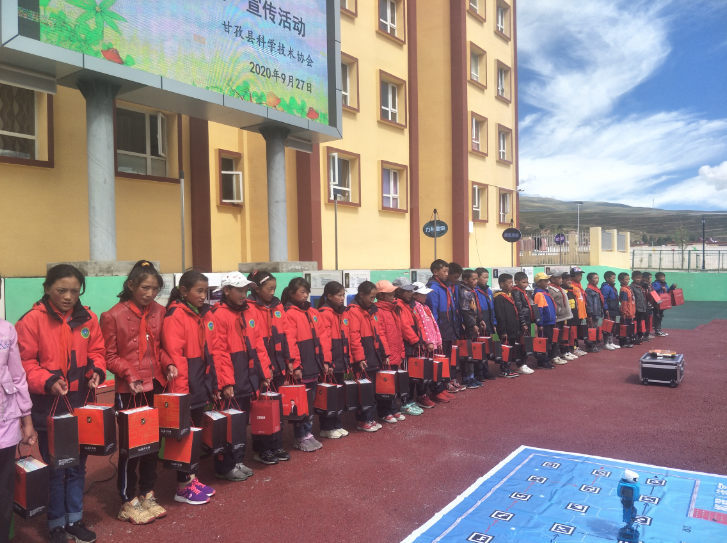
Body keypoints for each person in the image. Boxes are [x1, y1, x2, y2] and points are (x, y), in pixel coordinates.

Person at [16, 264, 106, 543]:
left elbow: (97, 352)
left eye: (74, 291)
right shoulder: (31, 321)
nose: (68, 297)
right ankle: (55, 523)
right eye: (61, 290)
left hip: (81, 406)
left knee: (78, 467)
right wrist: (47, 380)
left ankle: (75, 519)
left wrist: (97, 371)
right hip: (49, 407)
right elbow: (24, 364)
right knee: (55, 469)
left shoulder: (88, 318)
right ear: (47, 288)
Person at [100, 261, 168, 525]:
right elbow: (109, 356)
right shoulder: (113, 315)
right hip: (129, 389)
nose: (150, 294)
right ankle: (128, 500)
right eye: (145, 287)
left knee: (153, 443)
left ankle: (148, 492)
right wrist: (130, 374)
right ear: (131, 285)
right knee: (132, 446)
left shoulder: (159, 312)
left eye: (155, 289)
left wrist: (169, 364)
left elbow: (159, 348)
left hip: (156, 385)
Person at [161, 270, 222, 505]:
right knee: (184, 438)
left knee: (194, 434)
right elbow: (176, 356)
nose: (203, 295)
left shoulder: (200, 314)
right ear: (184, 291)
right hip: (185, 388)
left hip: (198, 385)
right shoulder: (175, 315)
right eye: (199, 291)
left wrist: (211, 384)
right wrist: (181, 394)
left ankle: (192, 479)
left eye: (205, 291)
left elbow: (210, 352)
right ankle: (183, 486)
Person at [209, 272, 272, 470]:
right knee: (229, 424)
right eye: (239, 290)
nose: (244, 294)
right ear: (226, 290)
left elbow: (259, 345)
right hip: (232, 381)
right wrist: (226, 383)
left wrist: (264, 374)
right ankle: (226, 466)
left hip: (249, 378)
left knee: (242, 422)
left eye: (245, 290)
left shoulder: (249, 312)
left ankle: (237, 461)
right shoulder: (218, 314)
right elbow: (219, 352)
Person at [246, 271, 292, 463]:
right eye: (269, 288)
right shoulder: (249, 308)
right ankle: (262, 449)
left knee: (277, 409)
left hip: (278, 365)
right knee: (262, 410)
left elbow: (287, 334)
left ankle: (276, 444)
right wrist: (264, 369)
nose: (273, 292)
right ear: (256, 289)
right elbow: (255, 344)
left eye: (274, 288)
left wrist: (289, 360)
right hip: (261, 368)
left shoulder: (277, 306)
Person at [0, 296, 36, 543]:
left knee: (4, 489)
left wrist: (27, 419)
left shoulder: (6, 330)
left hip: (5, 423)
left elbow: (17, 375)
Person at [281, 277, 330, 451]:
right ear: (291, 293)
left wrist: (326, 360)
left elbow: (323, 338)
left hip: (314, 365)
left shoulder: (313, 312)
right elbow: (290, 341)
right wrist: (296, 365)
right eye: (302, 292)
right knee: (300, 403)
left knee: (310, 402)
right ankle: (300, 436)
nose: (305, 295)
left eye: (307, 292)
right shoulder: (288, 314)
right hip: (302, 367)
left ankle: (307, 433)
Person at [348, 281, 389, 431]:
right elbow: (354, 336)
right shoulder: (353, 311)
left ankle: (370, 418)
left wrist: (385, 354)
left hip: (374, 355)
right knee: (363, 390)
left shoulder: (372, 311)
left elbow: (380, 334)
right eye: (371, 297)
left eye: (374, 297)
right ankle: (362, 420)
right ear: (361, 295)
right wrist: (359, 358)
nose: (373, 300)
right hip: (363, 358)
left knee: (372, 390)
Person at [317, 281, 352, 437]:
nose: (342, 298)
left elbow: (347, 338)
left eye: (343, 295)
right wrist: (327, 361)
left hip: (341, 361)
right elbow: (324, 340)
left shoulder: (343, 313)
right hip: (331, 362)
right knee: (328, 395)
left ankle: (337, 424)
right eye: (339, 295)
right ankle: (326, 427)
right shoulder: (324, 314)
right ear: (329, 296)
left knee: (337, 395)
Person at [374, 280, 407, 423]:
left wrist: (401, 352)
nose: (393, 295)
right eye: (390, 293)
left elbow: (399, 334)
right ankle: (384, 411)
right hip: (387, 355)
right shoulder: (378, 311)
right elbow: (380, 334)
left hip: (395, 353)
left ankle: (392, 409)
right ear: (381, 295)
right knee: (384, 384)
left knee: (392, 384)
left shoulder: (393, 309)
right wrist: (385, 354)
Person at [425, 260, 459, 402]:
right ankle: (436, 390)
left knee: (446, 360)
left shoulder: (446, 287)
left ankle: (443, 386)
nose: (446, 274)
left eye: (447, 271)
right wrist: (436, 333)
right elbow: (433, 313)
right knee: (438, 360)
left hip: (449, 328)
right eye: (444, 271)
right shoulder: (433, 288)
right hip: (440, 330)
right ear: (435, 272)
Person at [391, 277, 425, 416]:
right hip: (407, 345)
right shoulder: (397, 305)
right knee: (406, 375)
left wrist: (421, 339)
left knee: (413, 374)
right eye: (407, 291)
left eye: (411, 291)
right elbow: (404, 326)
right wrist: (415, 340)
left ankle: (410, 400)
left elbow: (418, 323)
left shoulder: (410, 305)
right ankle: (405, 403)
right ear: (398, 291)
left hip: (414, 343)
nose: (411, 293)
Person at [411, 282, 440, 409]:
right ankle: (420, 396)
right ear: (414, 295)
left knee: (427, 371)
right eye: (422, 294)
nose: (425, 296)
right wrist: (428, 342)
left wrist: (438, 341)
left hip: (431, 344)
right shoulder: (415, 307)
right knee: (421, 372)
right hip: (424, 345)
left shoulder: (425, 307)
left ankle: (423, 394)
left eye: (426, 294)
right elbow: (421, 326)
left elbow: (433, 325)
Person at [492, 274, 520, 378]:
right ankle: (504, 369)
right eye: (509, 283)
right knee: (504, 349)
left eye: (512, 282)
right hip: (505, 330)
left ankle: (508, 367)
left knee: (510, 349)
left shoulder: (510, 296)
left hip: (512, 328)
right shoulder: (499, 298)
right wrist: (503, 331)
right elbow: (500, 315)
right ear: (502, 284)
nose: (511, 285)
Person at [458, 270, 483, 387]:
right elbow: (465, 312)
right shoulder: (464, 293)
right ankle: (466, 378)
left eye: (477, 279)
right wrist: (472, 325)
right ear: (466, 280)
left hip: (473, 323)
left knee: (472, 352)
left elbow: (474, 310)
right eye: (474, 279)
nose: (476, 281)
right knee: (467, 353)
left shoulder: (472, 292)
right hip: (467, 326)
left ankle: (472, 376)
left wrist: (480, 320)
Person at [511, 272, 536, 374]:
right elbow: (519, 308)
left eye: (527, 282)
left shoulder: (523, 292)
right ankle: (520, 364)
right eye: (523, 282)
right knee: (522, 343)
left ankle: (524, 363)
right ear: (516, 282)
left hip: (527, 320)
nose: (526, 284)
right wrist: (523, 323)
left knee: (526, 342)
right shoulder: (516, 292)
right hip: (522, 321)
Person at [532, 272, 556, 369]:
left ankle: (547, 360)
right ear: (538, 282)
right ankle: (542, 361)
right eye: (545, 281)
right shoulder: (539, 294)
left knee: (549, 342)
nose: (547, 282)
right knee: (544, 342)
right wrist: (540, 323)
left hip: (550, 322)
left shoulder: (545, 293)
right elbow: (539, 310)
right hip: (545, 323)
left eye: (547, 280)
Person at [548, 272, 574, 362]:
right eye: (559, 278)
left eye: (561, 278)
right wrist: (557, 311)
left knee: (561, 336)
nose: (561, 280)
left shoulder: (560, 288)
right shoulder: (551, 290)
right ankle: (554, 356)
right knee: (555, 337)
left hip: (563, 316)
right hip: (557, 317)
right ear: (552, 279)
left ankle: (561, 353)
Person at [562, 273, 585, 358]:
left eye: (570, 280)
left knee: (574, 333)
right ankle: (567, 350)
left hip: (574, 315)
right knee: (567, 334)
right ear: (562, 280)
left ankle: (575, 348)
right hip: (567, 316)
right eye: (567, 280)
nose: (569, 281)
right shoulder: (563, 291)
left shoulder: (571, 290)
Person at [584, 272, 608, 352]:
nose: (597, 280)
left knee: (594, 329)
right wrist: (589, 314)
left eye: (598, 278)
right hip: (592, 313)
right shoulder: (589, 290)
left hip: (597, 313)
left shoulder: (596, 289)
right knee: (591, 329)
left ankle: (593, 345)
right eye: (595, 278)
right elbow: (589, 303)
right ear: (589, 280)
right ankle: (590, 346)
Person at [568, 267, 588, 356]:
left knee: (577, 331)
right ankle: (573, 348)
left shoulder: (579, 286)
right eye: (577, 275)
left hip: (580, 313)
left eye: (580, 275)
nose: (580, 277)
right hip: (574, 313)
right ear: (572, 276)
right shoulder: (571, 286)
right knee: (573, 332)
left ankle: (576, 347)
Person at [600, 271, 621, 349]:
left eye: (614, 278)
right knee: (607, 326)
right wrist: (606, 309)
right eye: (613, 278)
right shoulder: (605, 287)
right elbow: (604, 299)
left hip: (614, 309)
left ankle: (611, 342)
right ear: (607, 278)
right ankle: (605, 343)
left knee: (612, 326)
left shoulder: (612, 287)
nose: (614, 279)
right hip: (608, 309)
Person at [651, 272, 676, 336]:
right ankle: (657, 330)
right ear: (657, 278)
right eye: (661, 277)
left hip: (663, 302)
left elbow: (667, 291)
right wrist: (660, 288)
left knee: (660, 315)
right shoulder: (655, 284)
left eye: (664, 277)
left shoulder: (664, 284)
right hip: (657, 303)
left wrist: (672, 287)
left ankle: (658, 329)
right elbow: (653, 290)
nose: (663, 278)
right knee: (657, 316)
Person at [629, 271, 648, 344]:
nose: (638, 279)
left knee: (641, 323)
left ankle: (640, 336)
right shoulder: (632, 287)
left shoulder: (641, 286)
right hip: (636, 308)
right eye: (636, 278)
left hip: (642, 308)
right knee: (635, 323)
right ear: (632, 278)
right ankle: (634, 337)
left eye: (639, 278)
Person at [618, 272, 636, 349]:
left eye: (628, 279)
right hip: (626, 313)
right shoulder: (624, 290)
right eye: (626, 279)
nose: (628, 281)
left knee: (628, 328)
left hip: (630, 312)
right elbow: (623, 302)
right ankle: (623, 343)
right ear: (621, 280)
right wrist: (624, 312)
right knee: (624, 328)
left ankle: (627, 341)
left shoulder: (628, 289)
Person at [640, 272, 657, 341]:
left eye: (650, 278)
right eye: (649, 278)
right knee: (644, 320)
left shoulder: (650, 286)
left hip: (650, 306)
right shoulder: (642, 286)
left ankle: (647, 333)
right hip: (644, 306)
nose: (650, 279)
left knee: (649, 320)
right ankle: (643, 334)